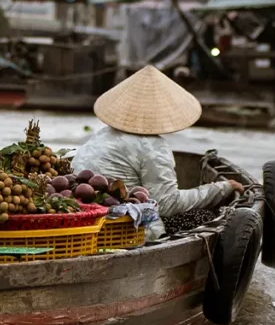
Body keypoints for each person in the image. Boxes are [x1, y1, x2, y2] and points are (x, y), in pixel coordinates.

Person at [71, 66, 244, 238]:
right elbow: (167, 204)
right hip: (126, 230)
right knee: (206, 217)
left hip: (83, 222)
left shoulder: (102, 135)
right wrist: (223, 188)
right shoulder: (152, 146)